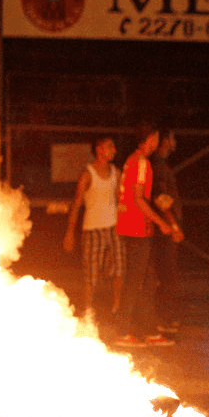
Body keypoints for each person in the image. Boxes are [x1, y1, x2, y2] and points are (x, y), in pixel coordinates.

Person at [115, 123, 179, 347]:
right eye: (157, 137)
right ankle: (123, 332)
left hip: (131, 227)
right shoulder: (142, 162)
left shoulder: (131, 160)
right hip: (137, 228)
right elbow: (139, 198)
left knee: (145, 280)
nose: (158, 141)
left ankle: (148, 330)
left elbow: (122, 193)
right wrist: (161, 222)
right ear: (150, 138)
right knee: (136, 281)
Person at [62, 136, 124, 326]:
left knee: (120, 267)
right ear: (99, 150)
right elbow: (77, 204)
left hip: (114, 227)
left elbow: (120, 200)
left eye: (113, 146)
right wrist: (70, 233)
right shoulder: (87, 174)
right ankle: (88, 311)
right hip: (92, 229)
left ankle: (117, 308)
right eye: (109, 146)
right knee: (91, 273)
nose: (113, 150)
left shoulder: (115, 172)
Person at [149, 129, 186, 336]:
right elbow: (161, 199)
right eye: (172, 137)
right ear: (165, 141)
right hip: (163, 229)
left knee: (166, 276)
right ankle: (164, 319)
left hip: (163, 228)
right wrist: (173, 225)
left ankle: (164, 318)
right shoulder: (158, 166)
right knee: (166, 277)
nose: (175, 142)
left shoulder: (160, 165)